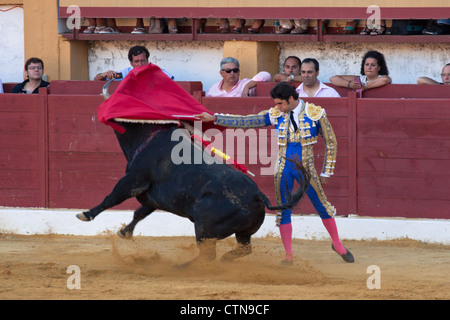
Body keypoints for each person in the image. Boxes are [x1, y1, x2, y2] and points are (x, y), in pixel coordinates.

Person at [196, 82, 354, 264]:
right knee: (283, 210)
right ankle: (289, 255)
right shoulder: (276, 114)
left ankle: (337, 244)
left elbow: (331, 142)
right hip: (283, 168)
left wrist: (327, 171)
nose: (277, 107)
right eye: (276, 104)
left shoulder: (315, 113)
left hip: (306, 168)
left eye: (281, 103)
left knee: (322, 206)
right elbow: (248, 121)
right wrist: (215, 118)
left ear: (292, 99)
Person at [94, 45, 174, 81]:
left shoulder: (158, 72)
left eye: (143, 60)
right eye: (136, 61)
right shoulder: (125, 73)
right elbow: (96, 80)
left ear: (147, 61)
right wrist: (103, 75)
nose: (140, 64)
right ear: (131, 63)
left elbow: (172, 84)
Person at [206, 57, 271, 97]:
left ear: (239, 72)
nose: (232, 73)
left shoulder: (245, 84)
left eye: (235, 70)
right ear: (221, 73)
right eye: (228, 71)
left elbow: (266, 74)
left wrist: (247, 87)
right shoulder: (213, 88)